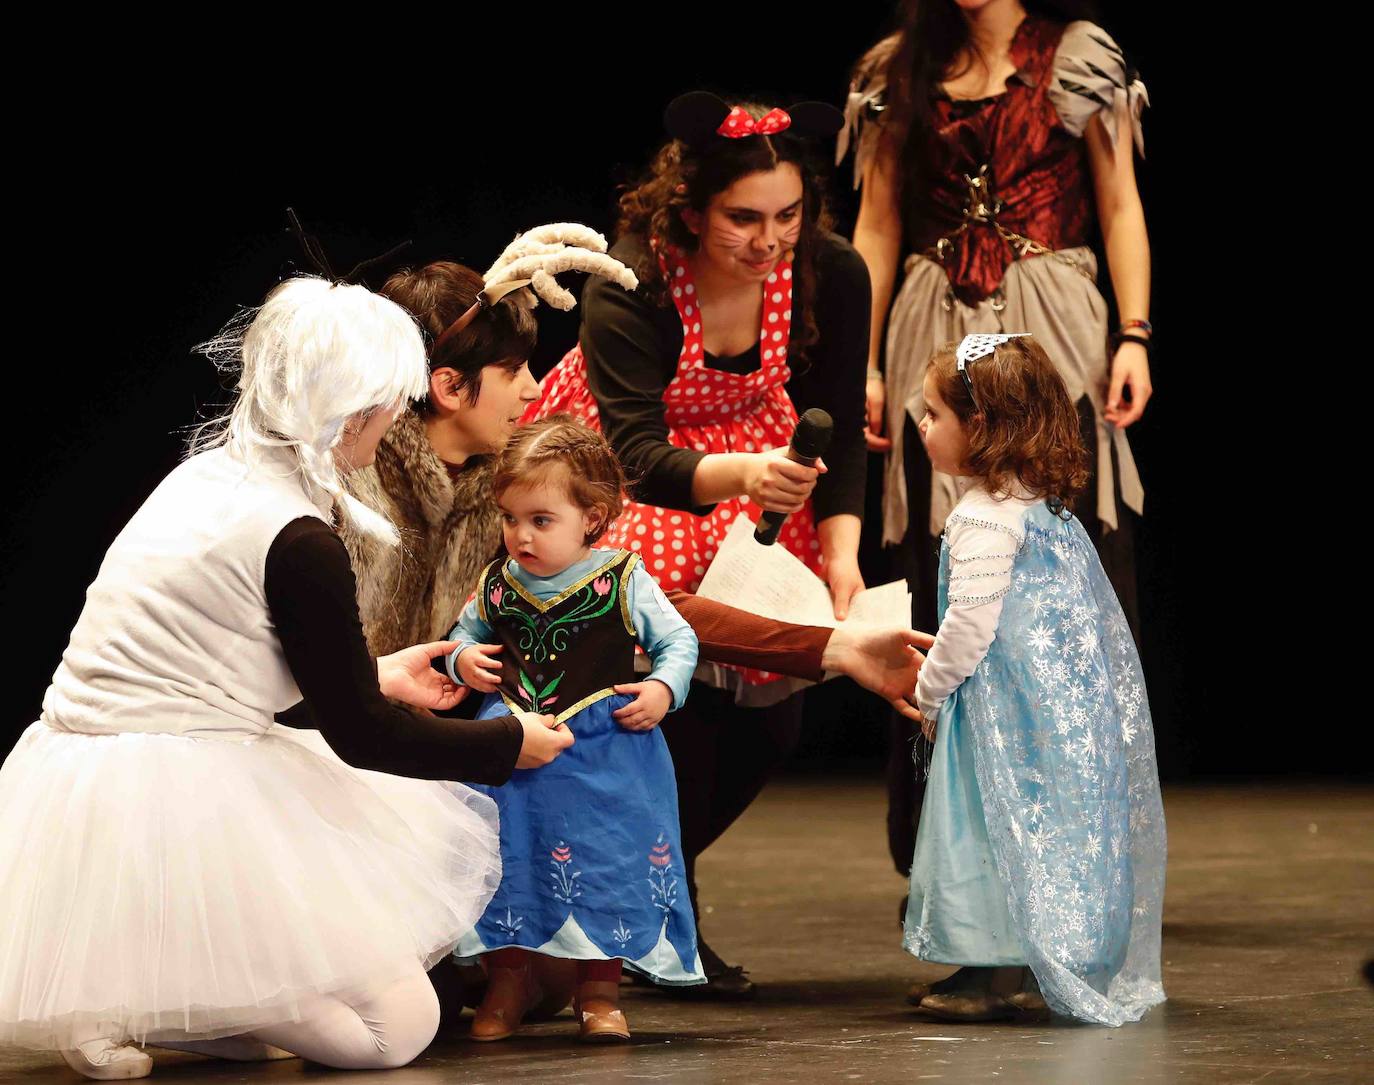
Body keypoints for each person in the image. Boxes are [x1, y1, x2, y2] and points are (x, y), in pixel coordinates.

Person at [0, 277, 573, 1079]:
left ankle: (177, 994)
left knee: (315, 1023)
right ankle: (127, 997)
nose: (393, 419)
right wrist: (503, 742)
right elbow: (361, 734)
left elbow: (211, 660)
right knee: (395, 1029)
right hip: (168, 783)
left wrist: (377, 672)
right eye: (386, 403)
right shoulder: (297, 536)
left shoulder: (205, 477)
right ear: (352, 410)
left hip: (106, 764)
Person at [528, 93, 871, 995]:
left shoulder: (830, 272)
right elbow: (637, 457)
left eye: (789, 216)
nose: (771, 241)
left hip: (759, 470)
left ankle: (654, 894)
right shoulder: (632, 281)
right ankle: (644, 917)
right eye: (744, 220)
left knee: (772, 714)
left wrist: (843, 554)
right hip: (632, 471)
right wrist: (744, 474)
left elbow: (830, 429)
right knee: (660, 701)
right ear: (690, 211)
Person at [842, 0, 1154, 880]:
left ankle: (1085, 855)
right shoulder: (896, 68)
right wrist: (864, 362)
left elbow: (1119, 205)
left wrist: (1133, 334)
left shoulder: (1076, 59)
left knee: (1065, 565)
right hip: (931, 323)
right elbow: (876, 222)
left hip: (1049, 323)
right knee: (937, 571)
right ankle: (950, 860)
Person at [902, 333, 1164, 1025]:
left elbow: (969, 627)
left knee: (989, 826)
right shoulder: (1048, 513)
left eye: (934, 414)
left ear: (981, 426)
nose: (921, 426)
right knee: (1044, 822)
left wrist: (927, 691)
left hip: (1001, 716)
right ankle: (1028, 961)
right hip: (1052, 712)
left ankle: (993, 966)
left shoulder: (983, 519)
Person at [445, 417, 705, 1042]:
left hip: (606, 753)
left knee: (606, 861)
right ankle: (508, 983)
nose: (520, 536)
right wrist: (461, 659)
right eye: (510, 519)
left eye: (541, 520)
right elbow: (462, 636)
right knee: (509, 860)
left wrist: (664, 688)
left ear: (590, 516)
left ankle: (599, 990)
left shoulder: (621, 578)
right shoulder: (496, 585)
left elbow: (677, 639)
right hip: (513, 751)